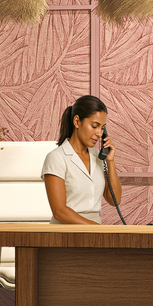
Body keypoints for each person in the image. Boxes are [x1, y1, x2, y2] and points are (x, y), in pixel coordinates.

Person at [44, 95, 121, 224]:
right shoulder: (56, 157)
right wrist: (96, 230)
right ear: (77, 122)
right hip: (64, 233)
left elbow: (115, 200)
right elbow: (59, 211)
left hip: (94, 235)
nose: (99, 133)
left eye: (102, 128)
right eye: (95, 126)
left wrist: (110, 161)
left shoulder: (98, 157)